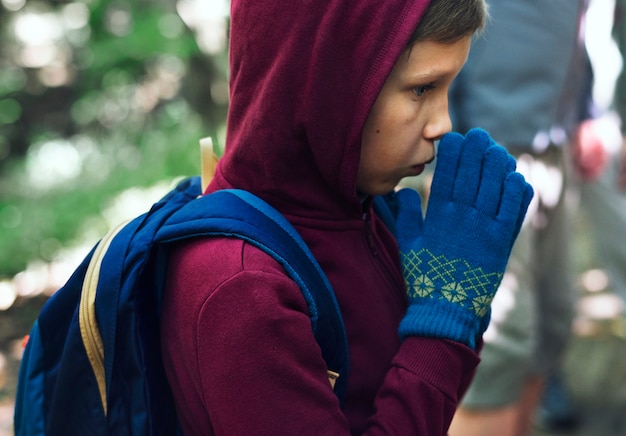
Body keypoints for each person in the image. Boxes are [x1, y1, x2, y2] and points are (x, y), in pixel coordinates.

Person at [160, 0, 533, 434]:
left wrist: (458, 318)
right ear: (326, 86)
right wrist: (444, 327)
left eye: (448, 86)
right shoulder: (242, 287)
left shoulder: (363, 210)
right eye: (421, 89)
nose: (443, 124)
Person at [445, 1, 589, 435]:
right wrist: (446, 154)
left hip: (553, 142)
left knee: (553, 321)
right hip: (484, 146)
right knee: (497, 343)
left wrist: (588, 110)